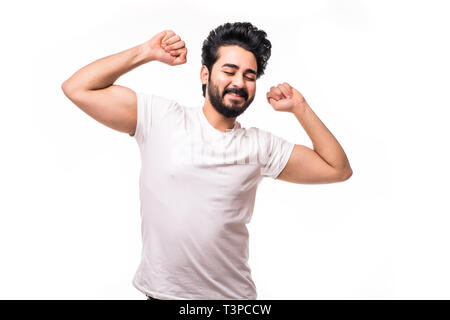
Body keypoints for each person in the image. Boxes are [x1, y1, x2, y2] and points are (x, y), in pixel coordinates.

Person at [61, 22, 352, 300]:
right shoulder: (159, 118)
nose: (239, 82)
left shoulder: (261, 146)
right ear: (205, 74)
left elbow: (337, 169)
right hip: (162, 294)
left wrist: (300, 108)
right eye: (230, 70)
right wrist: (145, 52)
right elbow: (77, 88)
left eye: (249, 76)